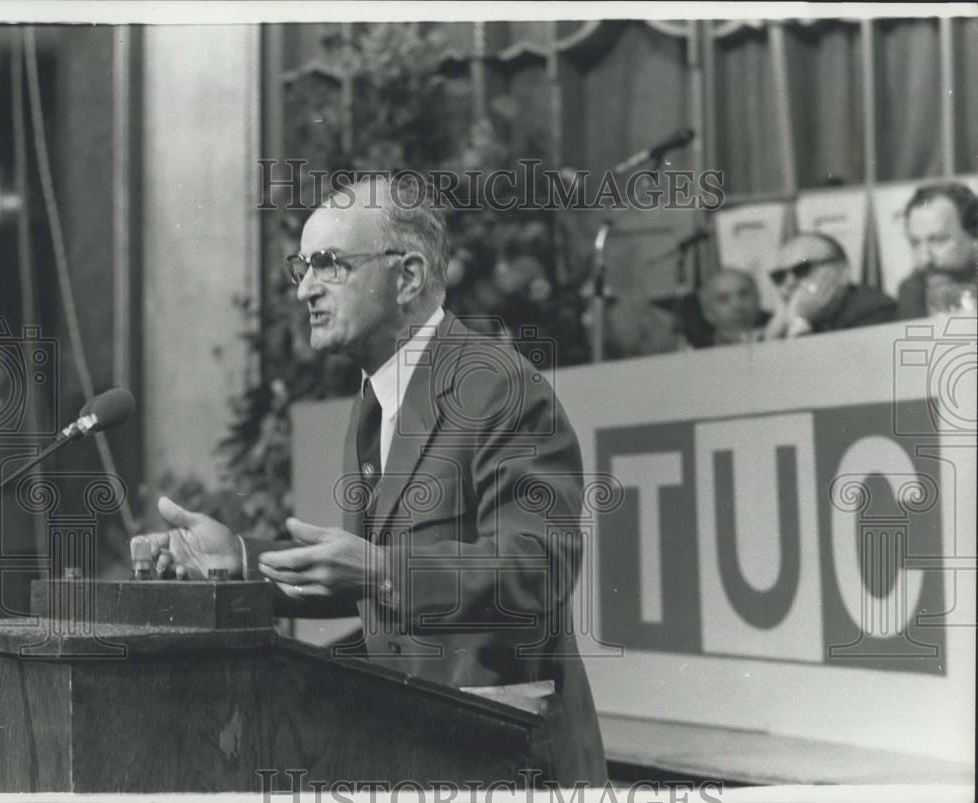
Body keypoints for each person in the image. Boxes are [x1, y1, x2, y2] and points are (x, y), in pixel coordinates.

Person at [140, 175, 607, 787]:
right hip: (418, 749)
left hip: (508, 761)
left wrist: (383, 571)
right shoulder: (376, 399)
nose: (305, 288)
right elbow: (363, 575)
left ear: (408, 277)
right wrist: (241, 560)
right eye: (301, 267)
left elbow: (537, 570)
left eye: (329, 265)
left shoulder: (497, 386)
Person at [764, 232, 896, 339]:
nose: (789, 282)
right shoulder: (783, 320)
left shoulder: (873, 311)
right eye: (779, 276)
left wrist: (799, 322)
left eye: (802, 269)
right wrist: (774, 331)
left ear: (843, 273)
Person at [897, 182, 978, 318]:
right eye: (915, 243)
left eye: (939, 240)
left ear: (974, 235)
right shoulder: (912, 291)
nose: (925, 258)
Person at [692, 268, 769, 347]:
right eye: (724, 299)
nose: (737, 305)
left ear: (757, 298)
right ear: (707, 312)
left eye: (744, 294)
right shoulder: (696, 352)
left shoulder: (779, 335)